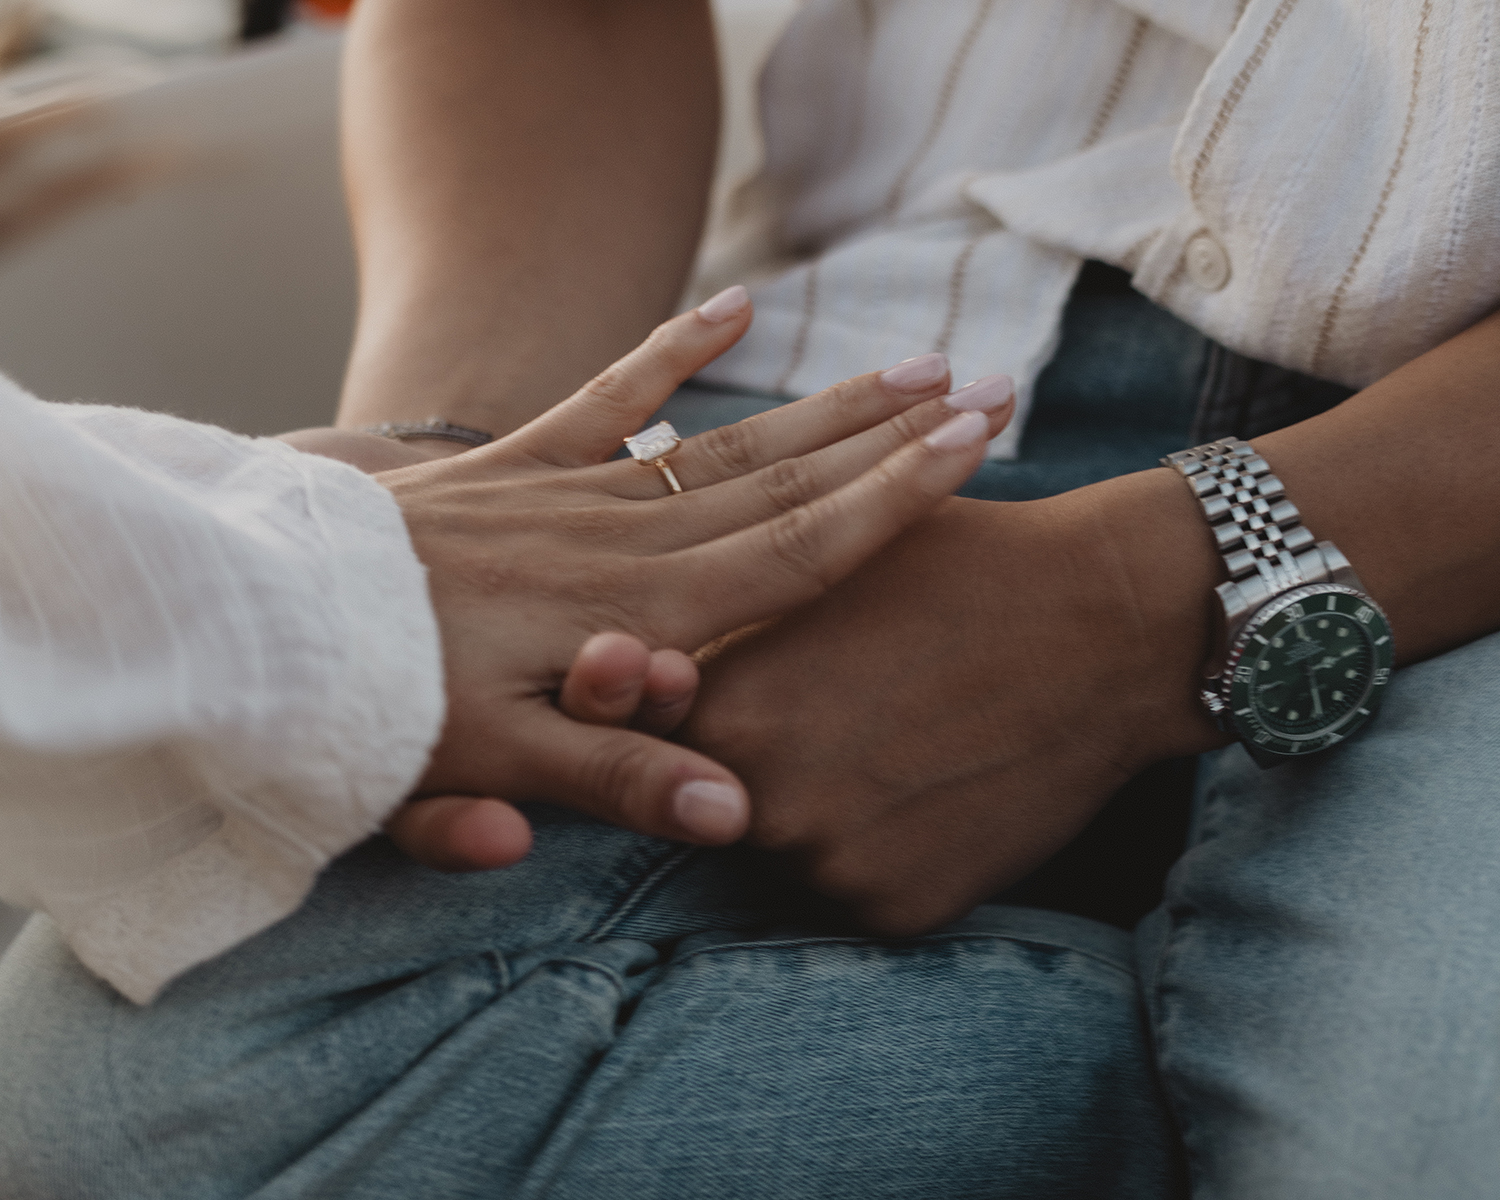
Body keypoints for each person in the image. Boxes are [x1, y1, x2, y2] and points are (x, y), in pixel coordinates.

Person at [4, 1, 1500, 1197]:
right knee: (144, 1115)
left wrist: (1130, 602)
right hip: (876, 367)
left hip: (1454, 456)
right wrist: (478, 485)